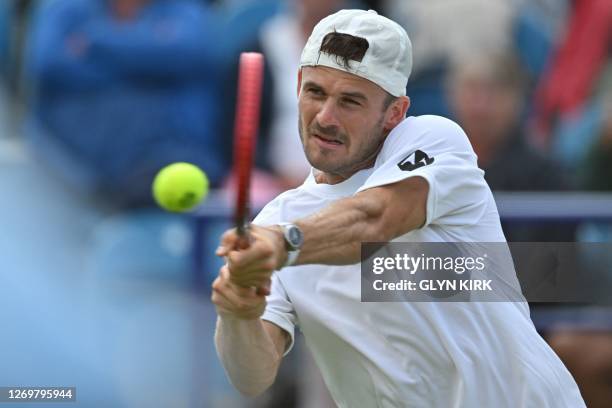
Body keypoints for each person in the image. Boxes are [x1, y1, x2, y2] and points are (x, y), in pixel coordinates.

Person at [211, 9, 586, 407]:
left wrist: (284, 243)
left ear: (395, 113)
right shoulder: (275, 222)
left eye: (350, 101)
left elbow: (376, 219)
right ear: (298, 85)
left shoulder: (437, 140)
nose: (325, 117)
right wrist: (239, 315)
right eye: (315, 92)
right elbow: (252, 375)